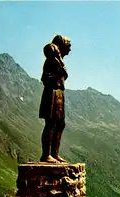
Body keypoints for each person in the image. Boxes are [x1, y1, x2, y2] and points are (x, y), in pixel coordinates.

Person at [39, 35, 72, 163]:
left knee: (60, 124)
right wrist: (57, 75)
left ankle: (54, 154)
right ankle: (46, 155)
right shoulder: (51, 61)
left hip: (59, 93)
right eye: (68, 46)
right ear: (62, 46)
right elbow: (45, 78)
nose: (70, 49)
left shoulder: (58, 60)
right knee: (51, 123)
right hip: (52, 92)